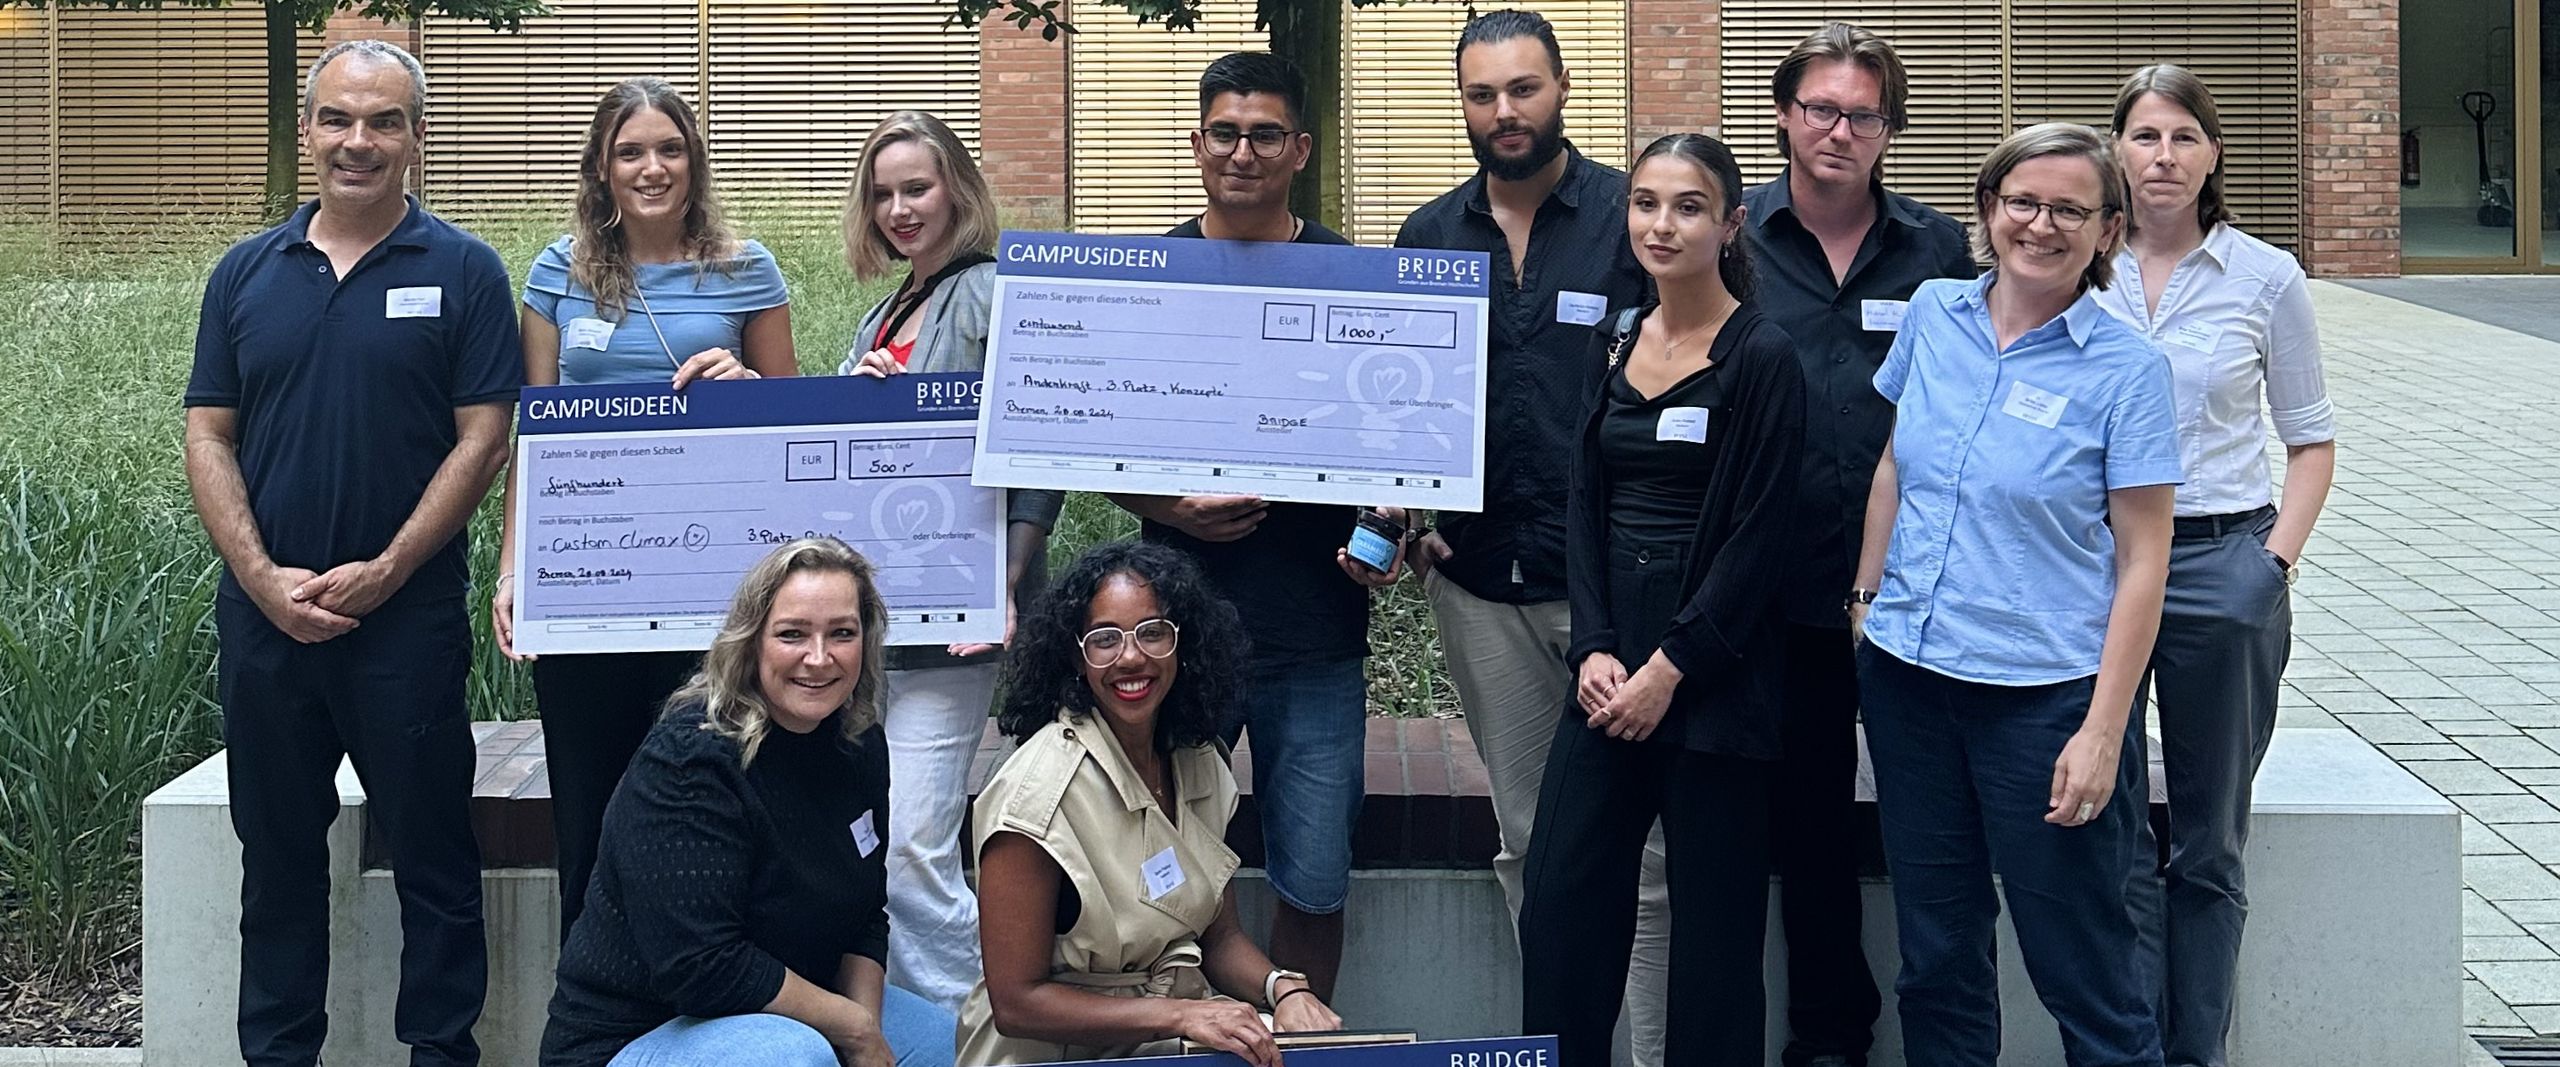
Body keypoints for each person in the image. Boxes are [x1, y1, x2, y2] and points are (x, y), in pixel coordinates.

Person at [183, 39, 516, 1067]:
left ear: (417, 136)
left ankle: (440, 1052)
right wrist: (259, 578)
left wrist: (386, 569)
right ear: (310, 128)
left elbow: (485, 436)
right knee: (276, 862)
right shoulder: (245, 272)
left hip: (403, 625)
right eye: (338, 118)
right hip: (266, 625)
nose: (357, 141)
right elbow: (208, 432)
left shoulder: (463, 270)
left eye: (383, 121)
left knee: (434, 858)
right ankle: (278, 1053)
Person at [1849, 122, 2177, 1067]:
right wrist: (1866, 603)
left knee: (2084, 968)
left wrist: (2103, 731)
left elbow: (2144, 561)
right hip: (1911, 681)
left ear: (2109, 230)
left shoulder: (2128, 372)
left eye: (2070, 209)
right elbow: (1892, 467)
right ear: (1988, 210)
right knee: (1937, 956)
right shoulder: (1934, 312)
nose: (2040, 224)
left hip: (2042, 705)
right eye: (2021, 202)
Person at [1388, 10, 1663, 1057]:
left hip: (1612, 591)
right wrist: (1402, 510)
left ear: (1560, 90)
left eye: (1523, 89)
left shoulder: (1627, 222)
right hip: (1478, 586)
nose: (1503, 112)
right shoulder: (1427, 236)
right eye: (1481, 93)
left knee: (1639, 854)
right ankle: (1559, 1044)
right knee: (1528, 840)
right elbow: (1401, 408)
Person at [1103, 50, 1396, 1002]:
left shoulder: (1353, 275)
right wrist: (1169, 507)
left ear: (1301, 150)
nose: (1242, 151)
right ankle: (1184, 1037)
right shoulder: (1152, 276)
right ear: (1196, 144)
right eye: (1224, 132)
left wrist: (1389, 520)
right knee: (1156, 867)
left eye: (1265, 134)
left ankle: (1304, 1038)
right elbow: (1094, 439)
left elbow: (1402, 444)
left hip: (1314, 633)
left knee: (1313, 872)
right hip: (1173, 635)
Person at [1518, 133, 1806, 1067]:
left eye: (1687, 206)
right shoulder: (1614, 336)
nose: (1660, 223)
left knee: (1716, 937)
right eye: (1644, 202)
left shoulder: (1763, 357)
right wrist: (1593, 646)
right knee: (1562, 902)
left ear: (1730, 225)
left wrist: (1671, 669)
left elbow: (1758, 539)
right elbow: (1583, 504)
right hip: (1608, 675)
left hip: (1713, 677)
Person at [489, 75, 795, 937]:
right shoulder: (558, 270)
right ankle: (592, 1013)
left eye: (669, 149)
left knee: (709, 797)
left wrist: (743, 388)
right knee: (587, 804)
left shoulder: (747, 268)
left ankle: (710, 1003)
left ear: (693, 161)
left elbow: (794, 424)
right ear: (601, 167)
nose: (652, 167)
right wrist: (516, 570)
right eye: (631, 151)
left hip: (716, 591)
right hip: (590, 584)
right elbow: (532, 434)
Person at [1739, 24, 1975, 1067]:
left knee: (1937, 819)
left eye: (1863, 114)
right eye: (1821, 108)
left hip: (1910, 586)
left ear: (1891, 129)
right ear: (1785, 115)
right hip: (1771, 587)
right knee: (1807, 822)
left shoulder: (1935, 253)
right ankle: (1827, 1036)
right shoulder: (1729, 231)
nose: (1839, 130)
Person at [2097, 64, 2337, 1067]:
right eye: (2145, 135)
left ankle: (2193, 1051)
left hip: (2216, 565)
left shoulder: (2263, 276)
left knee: (2206, 842)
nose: (2162, 156)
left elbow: (2311, 440)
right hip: (2093, 569)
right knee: (2103, 836)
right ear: (2116, 148)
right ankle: (2123, 1048)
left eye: (2182, 137)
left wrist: (2266, 567)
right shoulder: (2077, 261)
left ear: (2212, 153)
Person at [538, 538, 956, 1067]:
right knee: (792, 1056)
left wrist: (868, 1032)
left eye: (842, 634)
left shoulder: (858, 743)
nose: (819, 658)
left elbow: (865, 917)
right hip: (643, 1031)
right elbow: (702, 966)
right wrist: (850, 1029)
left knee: (944, 1044)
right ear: (752, 641)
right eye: (792, 634)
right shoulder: (691, 762)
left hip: (786, 1006)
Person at [836, 107, 1067, 1013]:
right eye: (883, 192)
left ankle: (990, 1014)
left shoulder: (988, 292)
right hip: (891, 621)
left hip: (962, 622)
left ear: (958, 189)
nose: (900, 208)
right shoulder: (886, 308)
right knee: (889, 834)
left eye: (918, 187)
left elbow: (1037, 445)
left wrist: (1003, 582)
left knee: (910, 844)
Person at [958, 541, 1346, 1065]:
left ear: (1183, 645)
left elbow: (1220, 937)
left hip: (1166, 1035)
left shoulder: (1200, 760)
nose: (1132, 657)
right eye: (1104, 640)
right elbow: (1017, 1004)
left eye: (1153, 633)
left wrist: (1285, 989)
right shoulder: (1034, 798)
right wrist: (1184, 1016)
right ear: (1076, 656)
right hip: (1054, 1052)